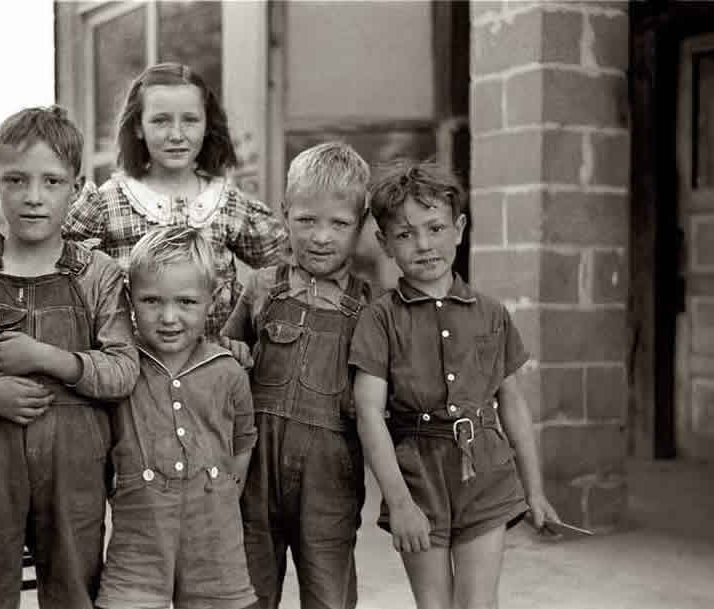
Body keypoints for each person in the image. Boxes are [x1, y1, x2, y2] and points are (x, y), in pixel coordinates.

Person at [0, 106, 140, 609]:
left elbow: (124, 370)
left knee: (75, 589)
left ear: (76, 189)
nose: (33, 197)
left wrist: (44, 357)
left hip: (75, 471)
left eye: (51, 182)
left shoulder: (96, 275)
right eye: (16, 180)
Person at [350, 159, 560, 609]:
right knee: (435, 605)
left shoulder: (492, 314)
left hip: (486, 472)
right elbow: (369, 412)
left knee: (478, 604)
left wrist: (535, 490)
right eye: (405, 235)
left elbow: (512, 404)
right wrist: (400, 502)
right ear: (384, 243)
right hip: (418, 478)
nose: (424, 245)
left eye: (435, 228)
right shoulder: (380, 319)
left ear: (460, 228)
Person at [222, 142, 371, 609]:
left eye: (339, 224)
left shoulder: (371, 307)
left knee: (329, 595)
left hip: (330, 481)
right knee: (248, 592)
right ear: (285, 214)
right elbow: (229, 354)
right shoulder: (262, 286)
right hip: (255, 475)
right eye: (307, 220)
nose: (321, 237)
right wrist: (232, 353)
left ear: (361, 226)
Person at [63, 62, 287, 339]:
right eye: (161, 120)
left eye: (190, 120)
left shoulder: (226, 202)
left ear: (207, 125)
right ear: (138, 127)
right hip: (133, 366)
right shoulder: (108, 202)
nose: (177, 135)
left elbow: (286, 260)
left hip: (210, 366)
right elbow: (56, 264)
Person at [96, 225, 258, 609]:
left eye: (186, 302)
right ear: (129, 299)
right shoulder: (123, 370)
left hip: (215, 543)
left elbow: (244, 439)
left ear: (212, 299)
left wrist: (228, 490)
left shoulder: (228, 371)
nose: (169, 317)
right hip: (139, 541)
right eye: (151, 301)